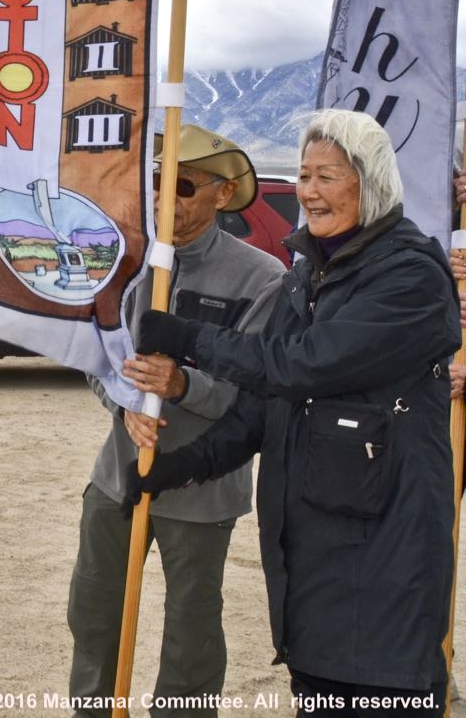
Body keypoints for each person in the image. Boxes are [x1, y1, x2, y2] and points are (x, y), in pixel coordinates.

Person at [131, 109, 458, 716]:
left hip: (385, 559)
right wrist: (184, 466)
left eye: (327, 176)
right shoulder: (308, 275)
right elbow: (264, 405)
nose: (309, 191)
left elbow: (303, 364)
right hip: (312, 561)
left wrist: (190, 337)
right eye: (304, 175)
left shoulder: (410, 277)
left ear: (370, 182)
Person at [68, 124, 284, 718]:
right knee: (93, 611)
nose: (167, 198)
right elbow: (95, 355)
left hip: (202, 491)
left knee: (191, 634)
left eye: (184, 186)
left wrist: (182, 385)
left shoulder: (262, 278)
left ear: (223, 193)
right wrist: (125, 405)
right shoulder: (126, 261)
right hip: (119, 474)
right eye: (158, 182)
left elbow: (256, 395)